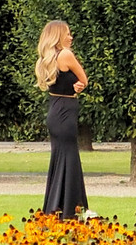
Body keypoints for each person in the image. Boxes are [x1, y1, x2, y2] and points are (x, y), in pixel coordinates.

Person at [34, 19, 92, 219]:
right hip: (66, 111)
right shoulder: (66, 55)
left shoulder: (45, 59)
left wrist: (76, 86)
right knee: (70, 159)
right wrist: (79, 85)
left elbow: (66, 83)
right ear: (58, 35)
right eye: (67, 33)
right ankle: (71, 210)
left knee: (60, 159)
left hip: (54, 110)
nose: (71, 37)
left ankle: (57, 207)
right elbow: (84, 79)